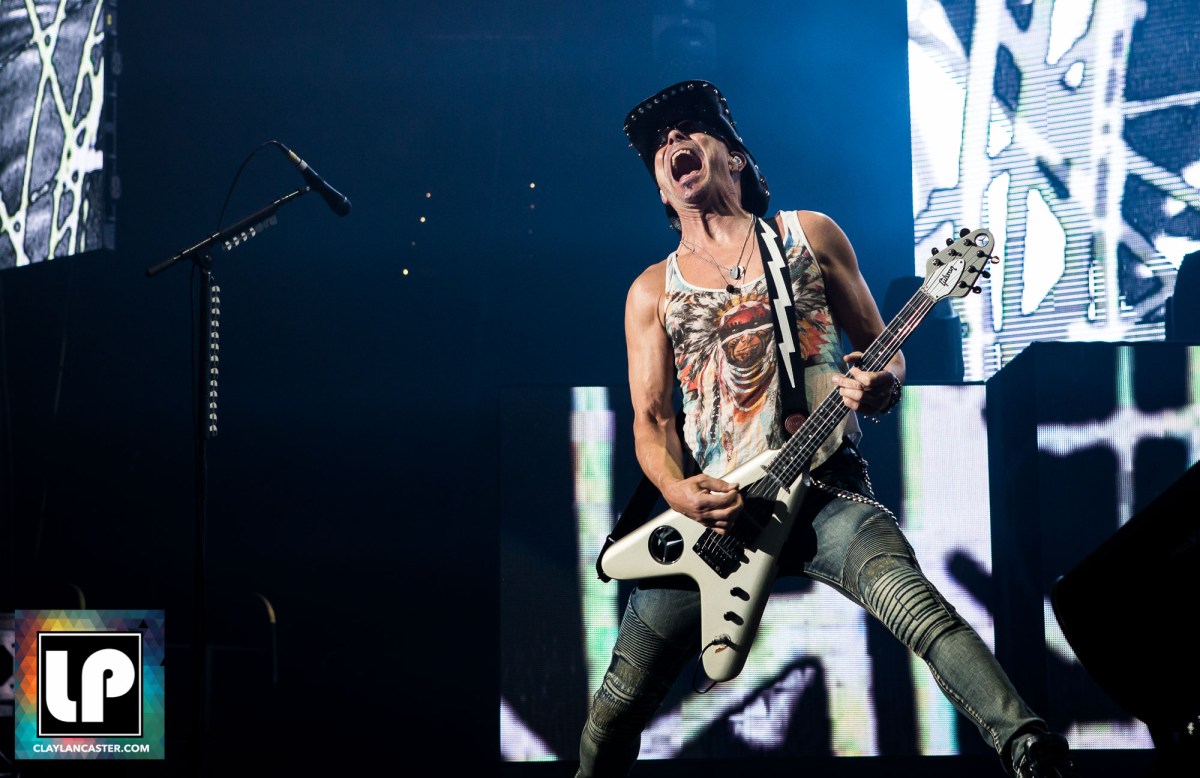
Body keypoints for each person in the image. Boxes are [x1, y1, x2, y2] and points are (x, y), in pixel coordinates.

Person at [575, 80, 1079, 778]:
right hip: (714, 524)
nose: (672, 144)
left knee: (920, 610)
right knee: (615, 709)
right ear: (662, 189)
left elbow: (882, 349)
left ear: (735, 157)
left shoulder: (808, 236)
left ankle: (1031, 749)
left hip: (825, 488)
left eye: (688, 129)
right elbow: (653, 421)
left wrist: (881, 383)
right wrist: (677, 490)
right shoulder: (651, 291)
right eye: (659, 146)